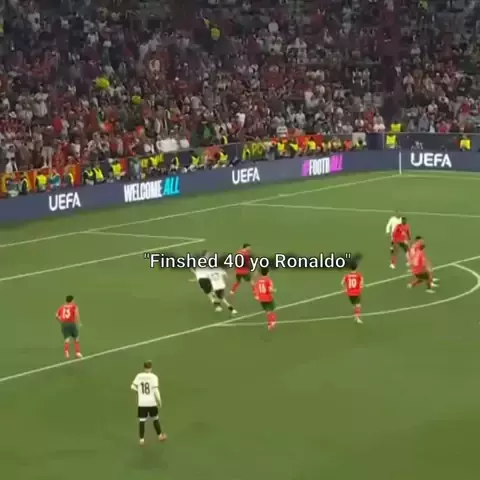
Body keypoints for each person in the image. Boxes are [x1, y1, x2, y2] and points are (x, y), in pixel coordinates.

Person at [131, 361, 167, 446]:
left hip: (142, 403)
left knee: (142, 421)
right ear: (151, 368)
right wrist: (159, 401)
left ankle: (141, 440)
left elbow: (132, 386)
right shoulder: (154, 377)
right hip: (151, 402)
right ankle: (160, 436)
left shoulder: (139, 376)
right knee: (155, 419)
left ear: (144, 368)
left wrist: (139, 391)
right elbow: (155, 391)